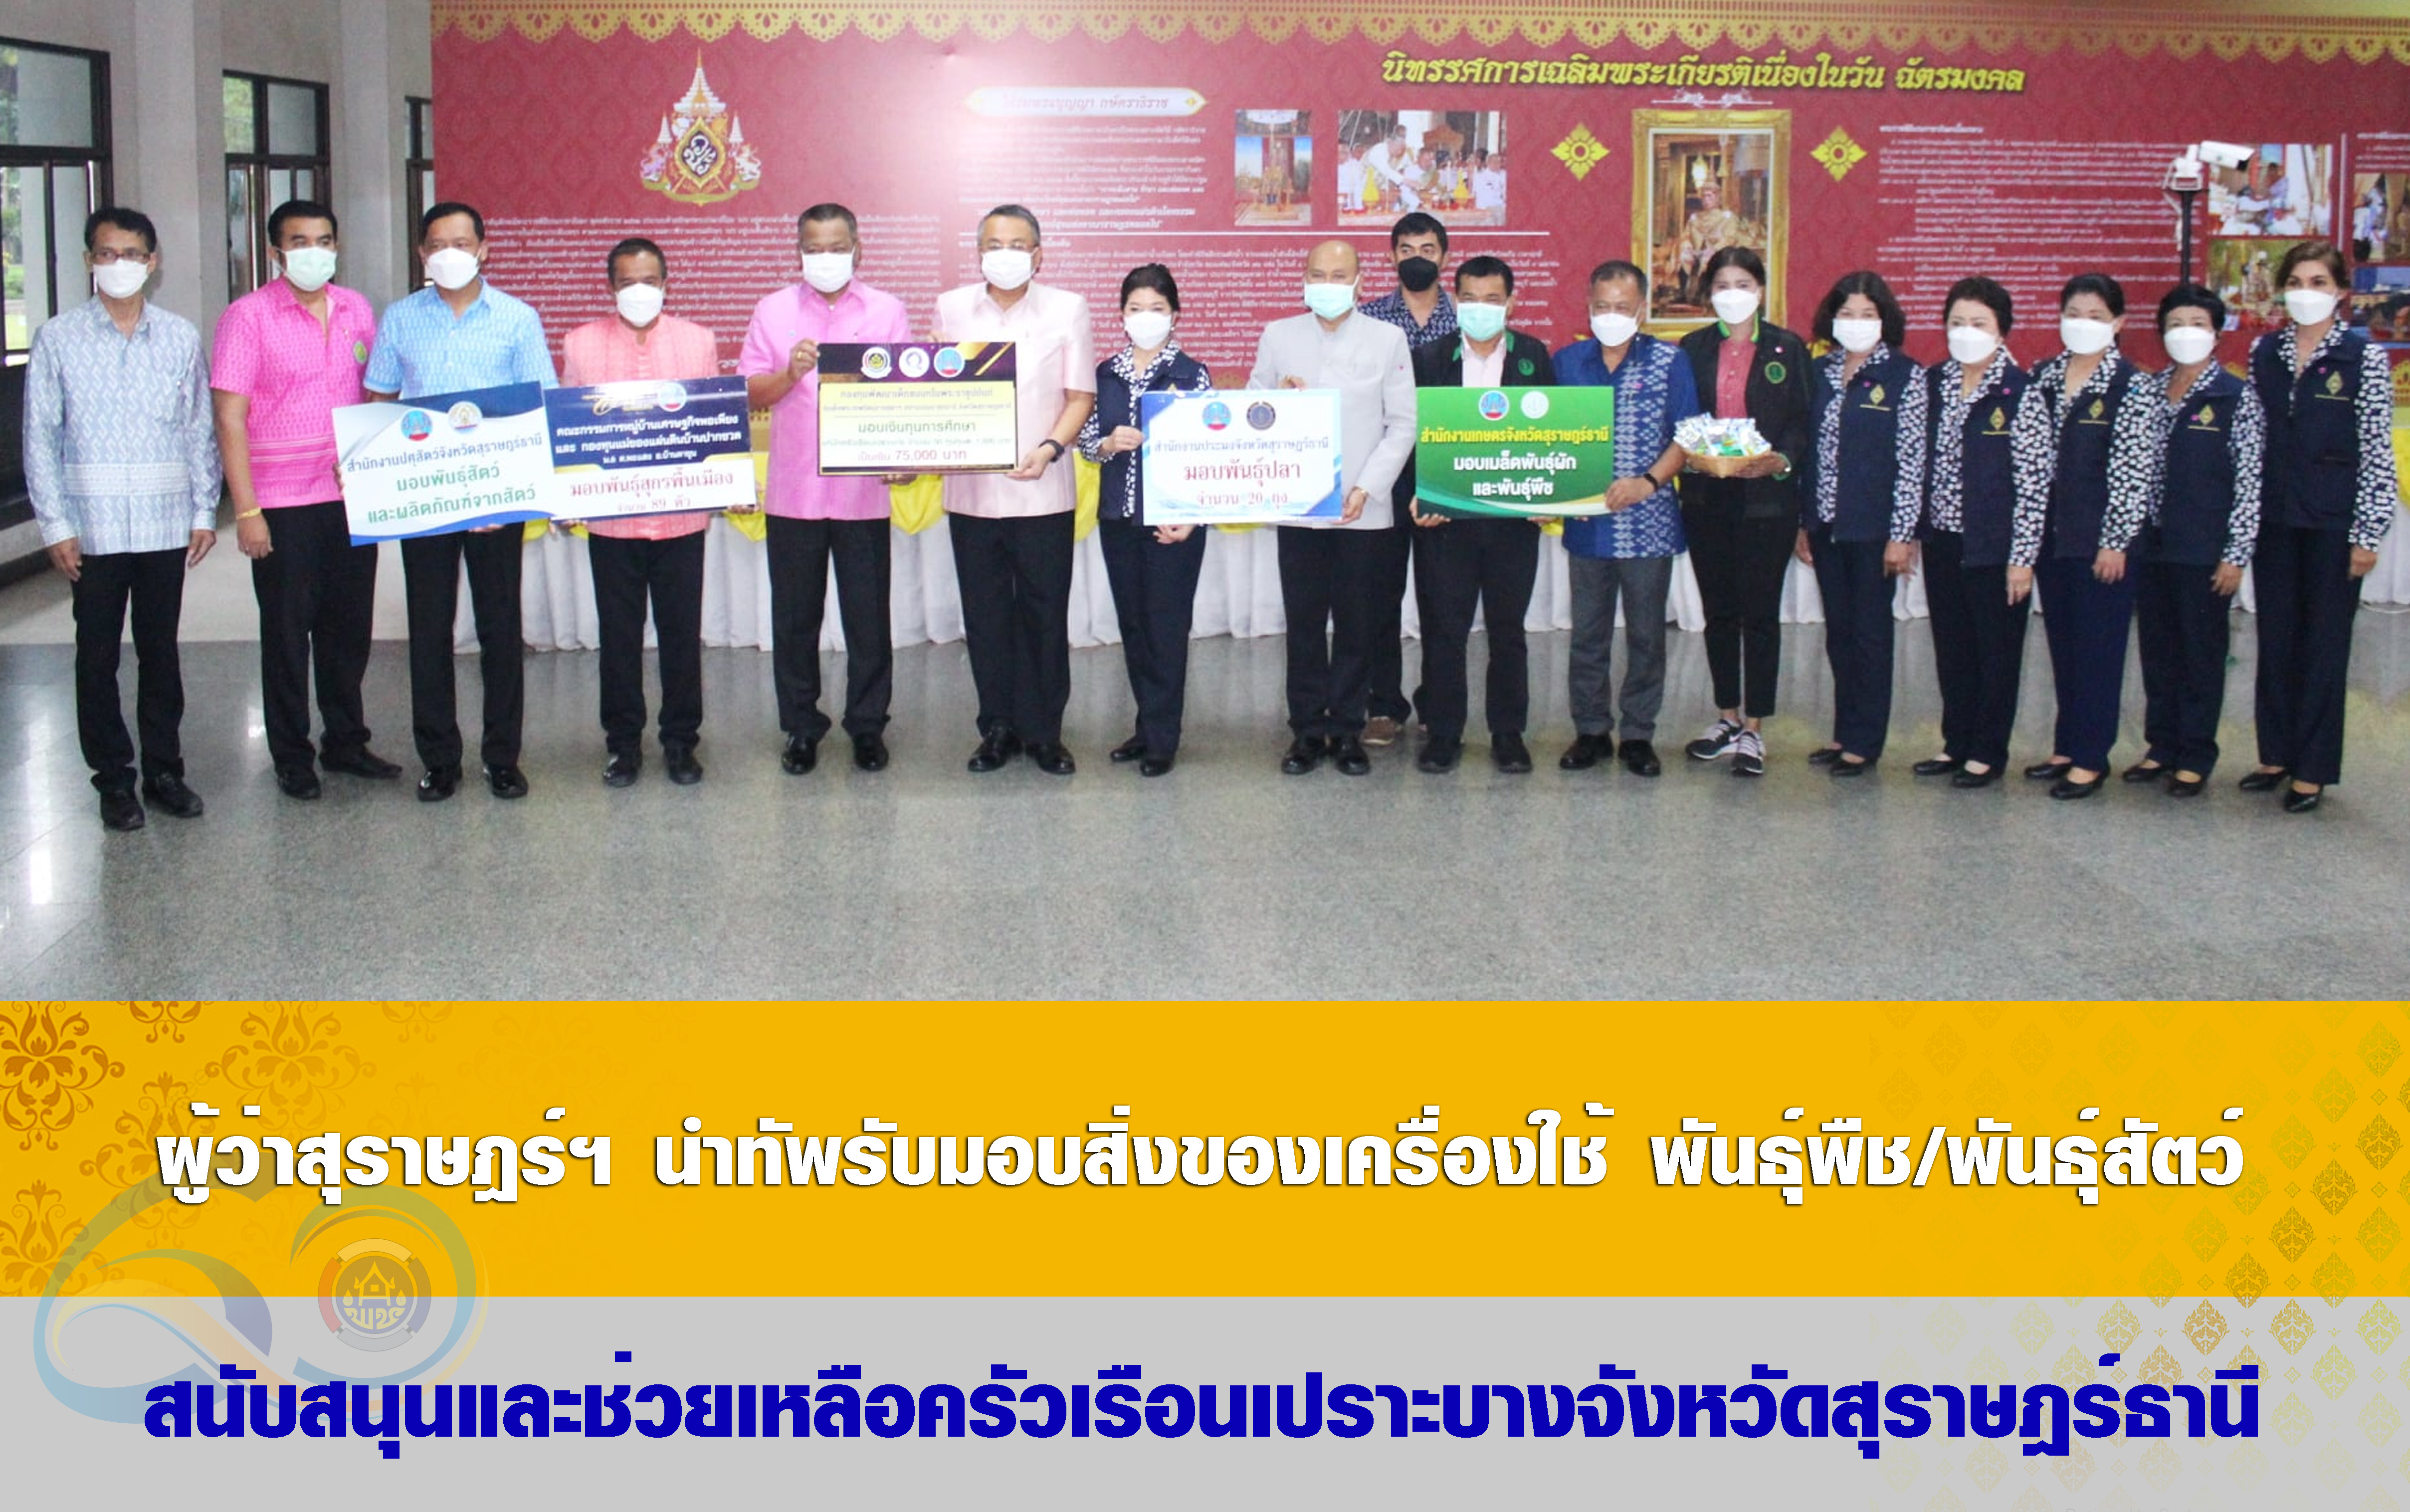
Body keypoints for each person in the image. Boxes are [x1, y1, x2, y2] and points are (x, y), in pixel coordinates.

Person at [23, 206, 218, 832]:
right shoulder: (58, 338)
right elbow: (40, 436)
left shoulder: (180, 337)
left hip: (164, 522)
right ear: (89, 260)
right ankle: (113, 778)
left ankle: (164, 771)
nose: (120, 265)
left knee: (161, 652)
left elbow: (198, 429)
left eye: (132, 255)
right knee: (96, 655)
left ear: (153, 263)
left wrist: (203, 509)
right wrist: (55, 524)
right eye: (107, 254)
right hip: (94, 528)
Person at [364, 200, 558, 802]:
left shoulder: (517, 318)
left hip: (496, 498)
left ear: (483, 249)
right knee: (430, 629)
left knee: (501, 628)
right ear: (423, 254)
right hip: (424, 500)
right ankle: (440, 758)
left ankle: (503, 757)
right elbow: (379, 400)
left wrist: (512, 489)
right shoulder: (400, 318)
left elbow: (538, 405)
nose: (449, 253)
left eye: (461, 243)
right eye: (437, 244)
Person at [209, 196, 400, 801]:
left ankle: (346, 740)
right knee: (289, 632)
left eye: (323, 241)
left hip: (349, 497)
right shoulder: (247, 317)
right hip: (282, 504)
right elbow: (229, 416)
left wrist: (372, 457)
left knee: (349, 628)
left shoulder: (356, 309)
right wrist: (247, 511)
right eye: (299, 242)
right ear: (276, 252)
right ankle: (291, 753)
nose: (313, 252)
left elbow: (376, 393)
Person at [739, 202, 911, 776]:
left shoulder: (887, 310)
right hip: (795, 493)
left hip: (862, 493)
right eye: (814, 249)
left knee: (868, 619)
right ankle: (801, 726)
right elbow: (750, 393)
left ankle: (867, 725)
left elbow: (906, 398)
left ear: (857, 249)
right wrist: (789, 373)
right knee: (794, 621)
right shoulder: (772, 310)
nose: (826, 258)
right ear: (799, 252)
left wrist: (907, 457)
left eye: (836, 248)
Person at [933, 204, 1096, 775]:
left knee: (1044, 614)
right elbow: (934, 394)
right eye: (994, 244)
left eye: (1018, 244)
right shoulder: (951, 307)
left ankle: (1045, 731)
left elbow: (1080, 396)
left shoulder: (1067, 308)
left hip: (1043, 491)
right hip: (972, 494)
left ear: (1038, 254)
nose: (1006, 254)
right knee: (984, 617)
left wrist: (1050, 448)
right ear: (979, 252)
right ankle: (997, 728)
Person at [1248, 239, 1416, 775]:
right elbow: (1252, 409)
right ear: (1303, 279)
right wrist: (1276, 401)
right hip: (1299, 505)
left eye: (1339, 275)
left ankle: (1346, 729)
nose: (1327, 284)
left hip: (1361, 509)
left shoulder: (1387, 339)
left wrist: (1367, 487)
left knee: (1356, 623)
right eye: (1317, 274)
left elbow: (1403, 424)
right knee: (1303, 623)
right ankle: (1305, 730)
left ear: (1360, 281)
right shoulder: (1279, 336)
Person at [2243, 239, 2400, 812]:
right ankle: (2275, 753)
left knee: (2323, 645)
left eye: (2317, 283)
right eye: (2295, 283)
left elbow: (2376, 453)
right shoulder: (2265, 352)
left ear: (2340, 293)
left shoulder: (2362, 358)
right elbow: (2253, 439)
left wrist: (2367, 533)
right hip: (2275, 518)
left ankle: (2310, 768)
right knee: (2276, 638)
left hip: (2333, 523)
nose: (2304, 293)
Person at [560, 236, 720, 788]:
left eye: (649, 281)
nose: (639, 291)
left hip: (681, 521)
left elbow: (712, 425)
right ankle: (622, 744)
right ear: (611, 287)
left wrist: (727, 477)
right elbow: (572, 432)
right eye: (627, 282)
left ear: (666, 284)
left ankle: (681, 741)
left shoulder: (698, 341)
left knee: (682, 635)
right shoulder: (580, 344)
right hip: (613, 523)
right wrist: (567, 493)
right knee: (619, 637)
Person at [2006, 272, 2160, 800]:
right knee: (2064, 645)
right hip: (2054, 536)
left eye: (2096, 316)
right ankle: (2067, 746)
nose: (2082, 324)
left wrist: (2115, 541)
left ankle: (2091, 757)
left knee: (2098, 650)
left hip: (2103, 542)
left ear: (2118, 323)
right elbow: (2029, 465)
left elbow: (2133, 472)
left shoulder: (2131, 386)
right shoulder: (2044, 377)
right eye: (2073, 314)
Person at [1404, 255, 1555, 773]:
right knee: (1444, 629)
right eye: (1470, 299)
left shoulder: (1533, 356)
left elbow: (1553, 436)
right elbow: (1409, 434)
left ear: (1511, 303)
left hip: (1512, 523)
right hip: (1446, 523)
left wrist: (1550, 495)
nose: (1481, 309)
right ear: (1456, 300)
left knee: (1508, 630)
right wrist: (1420, 494)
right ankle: (1444, 732)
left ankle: (1508, 733)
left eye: (1493, 300)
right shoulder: (1429, 357)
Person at [1553, 260, 1700, 778]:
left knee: (1646, 636)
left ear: (1641, 309)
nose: (1611, 315)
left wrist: (1648, 482)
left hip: (1649, 523)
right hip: (1587, 524)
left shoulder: (1670, 361)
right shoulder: (1567, 362)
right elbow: (1547, 436)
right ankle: (1591, 730)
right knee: (1587, 636)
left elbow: (1687, 435)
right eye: (1602, 306)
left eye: (1622, 307)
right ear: (1588, 306)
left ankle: (1638, 734)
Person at [1676, 247, 1813, 777]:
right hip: (1706, 496)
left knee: (1759, 613)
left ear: (1760, 290)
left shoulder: (1787, 347)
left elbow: (1802, 419)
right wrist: (1690, 451)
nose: (1732, 294)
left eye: (1743, 284)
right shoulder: (1692, 348)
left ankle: (1754, 727)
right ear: (1708, 293)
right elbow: (1680, 416)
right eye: (1722, 285)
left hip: (1767, 501)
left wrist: (1782, 460)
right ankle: (1726, 717)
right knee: (1719, 612)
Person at [1892, 276, 2032, 789]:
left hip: (1996, 544)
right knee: (1953, 647)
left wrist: (2022, 557)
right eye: (1957, 322)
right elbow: (1912, 463)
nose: (1966, 332)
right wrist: (1906, 532)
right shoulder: (1932, 383)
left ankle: (1987, 751)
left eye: (1979, 323)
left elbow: (2033, 482)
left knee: (1996, 651)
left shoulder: (2019, 391)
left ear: (2000, 331)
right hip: (1944, 540)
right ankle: (1957, 742)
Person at [2124, 282, 2262, 797]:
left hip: (2203, 548)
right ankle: (2161, 745)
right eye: (2176, 324)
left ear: (2216, 333)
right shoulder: (2148, 390)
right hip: (2151, 545)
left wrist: (2235, 554)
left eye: (2197, 325)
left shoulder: (2234, 397)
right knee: (2157, 650)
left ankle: (2195, 754)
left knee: (2200, 653)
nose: (2186, 333)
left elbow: (2249, 482)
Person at [1076, 264, 1214, 776]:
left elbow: (1211, 452)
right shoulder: (1105, 373)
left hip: (1174, 523)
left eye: (1157, 308)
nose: (1146, 317)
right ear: (1121, 315)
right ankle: (1146, 725)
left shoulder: (1191, 374)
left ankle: (1163, 736)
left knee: (1166, 628)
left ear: (1175, 315)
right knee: (1133, 626)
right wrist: (1108, 443)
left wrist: (1194, 518)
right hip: (1119, 518)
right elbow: (1086, 441)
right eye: (1136, 308)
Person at [1798, 271, 1921, 774]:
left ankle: (1865, 742)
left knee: (1870, 634)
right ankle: (1843, 731)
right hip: (1826, 524)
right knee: (1840, 633)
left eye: (1867, 314)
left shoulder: (1904, 375)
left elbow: (1912, 460)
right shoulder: (1820, 372)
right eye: (1846, 313)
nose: (1855, 322)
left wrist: (1902, 534)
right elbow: (1808, 451)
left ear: (1884, 319)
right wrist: (1804, 521)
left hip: (1875, 530)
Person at [1359, 211, 1457, 747]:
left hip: (1448, 471)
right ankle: (1383, 706)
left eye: (1427, 249)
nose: (1416, 258)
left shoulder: (1467, 319)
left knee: (1442, 598)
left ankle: (1437, 704)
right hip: (1384, 471)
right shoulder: (1369, 319)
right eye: (1406, 249)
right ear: (1391, 256)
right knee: (1380, 595)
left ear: (1445, 256)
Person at [1674, 178, 1745, 304]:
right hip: (1696, 251)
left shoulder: (1727, 217)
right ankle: (1683, 292)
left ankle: (1702, 293)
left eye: (1710, 197)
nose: (1706, 200)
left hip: (1718, 251)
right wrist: (1688, 247)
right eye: (1704, 197)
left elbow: (1730, 238)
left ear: (1718, 198)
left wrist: (1714, 249)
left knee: (1707, 259)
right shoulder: (1695, 218)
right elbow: (1686, 236)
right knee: (1685, 256)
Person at [1337, 141, 1366, 214]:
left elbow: (1359, 186)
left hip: (1350, 206)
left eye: (1342, 152)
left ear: (1348, 153)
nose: (1338, 155)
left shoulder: (1355, 166)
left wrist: (1358, 207)